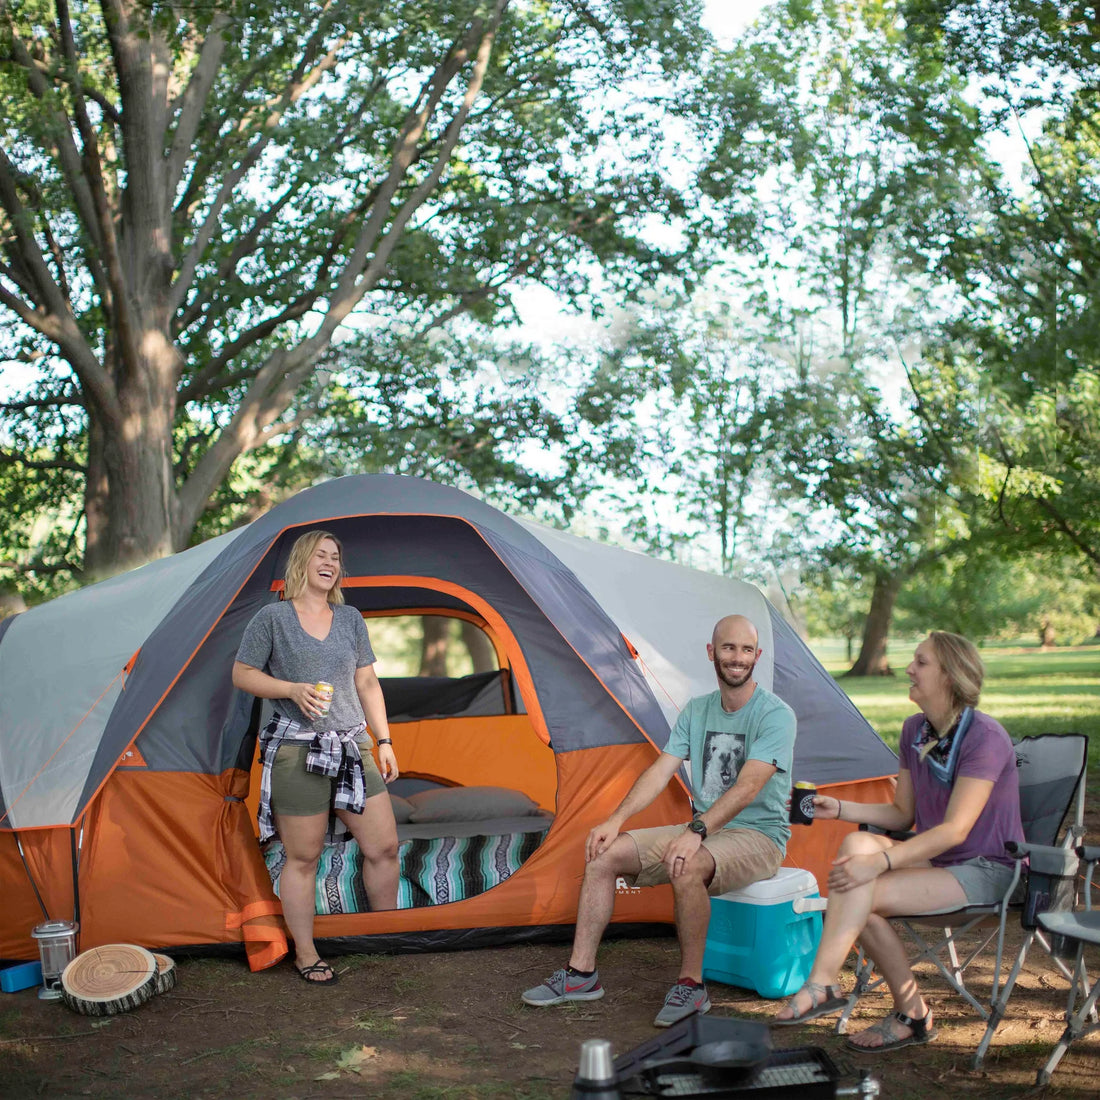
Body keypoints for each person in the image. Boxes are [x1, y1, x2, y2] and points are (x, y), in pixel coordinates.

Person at [522, 614, 796, 1028]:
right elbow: (659, 771)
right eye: (728, 648)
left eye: (745, 650)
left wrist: (695, 832)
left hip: (759, 836)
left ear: (756, 656)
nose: (736, 658)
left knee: (685, 863)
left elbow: (748, 788)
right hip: (705, 830)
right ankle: (581, 976)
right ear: (712, 652)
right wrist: (615, 819)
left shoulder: (776, 715)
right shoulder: (698, 710)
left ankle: (691, 985)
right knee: (602, 856)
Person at [773, 631, 1024, 1053]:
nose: (909, 668)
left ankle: (829, 986)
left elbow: (954, 830)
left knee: (861, 886)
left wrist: (882, 864)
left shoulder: (985, 737)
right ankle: (902, 1010)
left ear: (950, 675)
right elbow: (902, 815)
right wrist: (841, 808)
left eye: (921, 662)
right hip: (938, 862)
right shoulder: (915, 730)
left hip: (988, 869)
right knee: (856, 854)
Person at [233, 529, 399, 984]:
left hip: (353, 746)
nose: (330, 562)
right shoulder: (274, 618)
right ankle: (306, 955)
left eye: (336, 557)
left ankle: (387, 938)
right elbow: (242, 673)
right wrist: (291, 690)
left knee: (383, 847)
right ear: (303, 562)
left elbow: (367, 683)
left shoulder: (350, 619)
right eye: (321, 555)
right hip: (296, 750)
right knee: (303, 857)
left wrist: (383, 742)